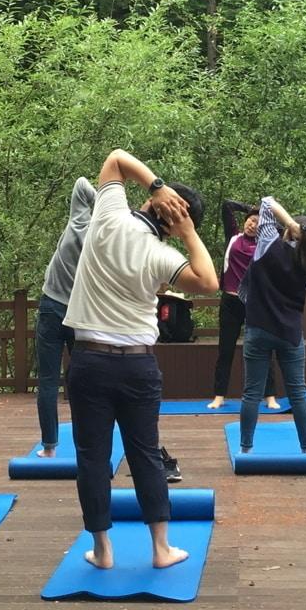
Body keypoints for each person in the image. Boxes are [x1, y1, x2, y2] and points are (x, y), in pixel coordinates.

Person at [63, 149, 218, 571]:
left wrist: (157, 184)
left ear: (152, 203)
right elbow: (209, 281)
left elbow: (117, 158)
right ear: (177, 224)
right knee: (145, 454)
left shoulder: (108, 217)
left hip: (89, 361)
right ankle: (161, 550)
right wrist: (189, 234)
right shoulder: (162, 255)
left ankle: (103, 551)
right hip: (137, 365)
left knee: (92, 458)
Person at [237, 196, 306, 455]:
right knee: (297, 393)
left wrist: (291, 224)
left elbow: (267, 202)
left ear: (288, 231)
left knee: (252, 393)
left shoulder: (267, 243)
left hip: (257, 329)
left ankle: (246, 449)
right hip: (290, 335)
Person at [35, 177, 96, 458]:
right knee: (83, 382)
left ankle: (49, 447)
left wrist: (101, 201)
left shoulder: (79, 222)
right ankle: (88, 444)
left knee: (48, 381)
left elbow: (81, 183)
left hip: (51, 307)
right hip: (79, 314)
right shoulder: (102, 240)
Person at [207, 200, 280, 411]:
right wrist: (251, 208)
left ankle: (270, 396)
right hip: (230, 302)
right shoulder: (233, 237)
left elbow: (283, 230)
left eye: (257, 222)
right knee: (225, 350)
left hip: (255, 303)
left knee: (263, 349)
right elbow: (226, 206)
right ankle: (219, 396)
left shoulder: (265, 244)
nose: (252, 224)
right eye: (250, 220)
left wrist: (266, 216)